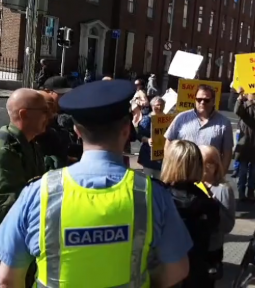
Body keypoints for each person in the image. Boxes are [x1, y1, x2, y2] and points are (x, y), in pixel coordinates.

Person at [0, 80, 191, 287]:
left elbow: (7, 279)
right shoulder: (152, 194)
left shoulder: (39, 193)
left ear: (78, 131)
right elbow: (178, 268)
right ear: (126, 130)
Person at [160, 140, 220, 288]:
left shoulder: (158, 197)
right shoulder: (207, 200)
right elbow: (215, 236)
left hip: (165, 273)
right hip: (198, 274)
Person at [0, 89, 47, 222]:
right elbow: (8, 206)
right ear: (24, 114)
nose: (50, 116)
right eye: (44, 111)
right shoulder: (6, 151)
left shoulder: (29, 143)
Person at [165, 84, 234, 172]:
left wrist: (221, 174)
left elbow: (227, 153)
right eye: (199, 99)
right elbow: (168, 143)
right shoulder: (181, 118)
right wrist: (169, 167)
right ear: (195, 100)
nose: (202, 102)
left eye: (206, 100)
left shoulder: (224, 123)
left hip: (207, 176)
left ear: (213, 101)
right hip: (181, 172)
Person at [200, 145, 236, 285]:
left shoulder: (223, 190)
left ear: (213, 166)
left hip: (212, 248)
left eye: (203, 164)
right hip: (194, 245)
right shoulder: (194, 183)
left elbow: (228, 225)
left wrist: (213, 206)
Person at [233, 87, 255, 201]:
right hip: (245, 144)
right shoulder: (244, 107)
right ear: (248, 95)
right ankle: (241, 191)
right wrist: (240, 98)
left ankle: (251, 191)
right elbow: (237, 111)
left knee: (254, 172)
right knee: (243, 171)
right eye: (253, 94)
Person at [138, 96, 166, 178]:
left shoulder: (167, 119)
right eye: (157, 105)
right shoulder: (147, 119)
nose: (159, 107)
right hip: (148, 155)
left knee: (160, 179)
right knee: (148, 178)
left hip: (162, 155)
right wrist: (147, 140)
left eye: (161, 105)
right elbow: (139, 135)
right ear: (152, 106)